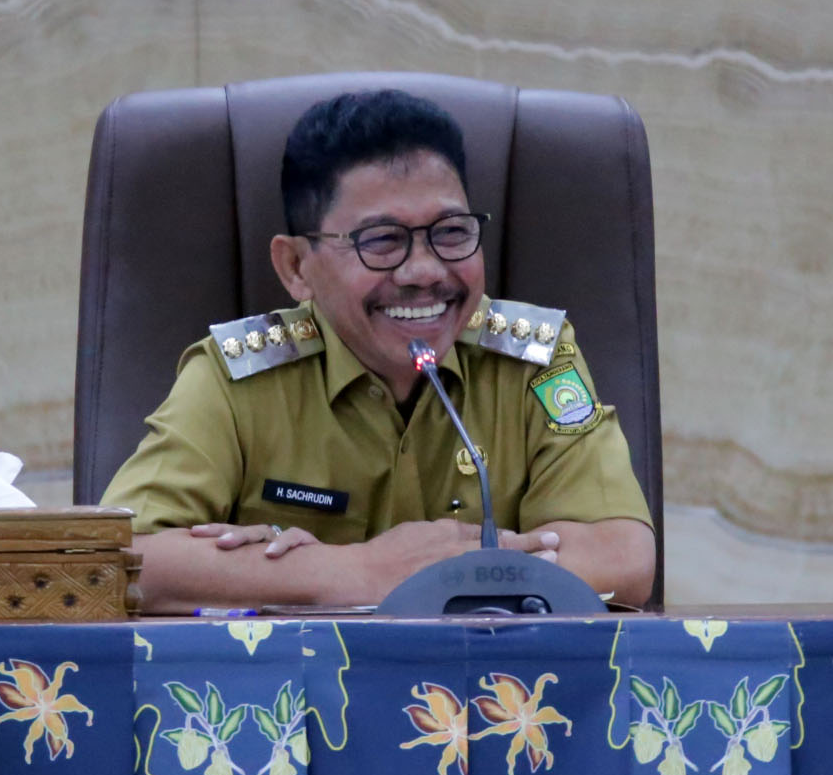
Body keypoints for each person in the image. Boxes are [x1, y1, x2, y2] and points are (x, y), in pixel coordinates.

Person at [102, 89, 657, 613]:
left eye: (452, 232)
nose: (424, 272)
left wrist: (449, 571)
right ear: (297, 267)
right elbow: (120, 557)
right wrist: (353, 571)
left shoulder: (534, 361)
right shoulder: (235, 379)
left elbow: (622, 556)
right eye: (383, 241)